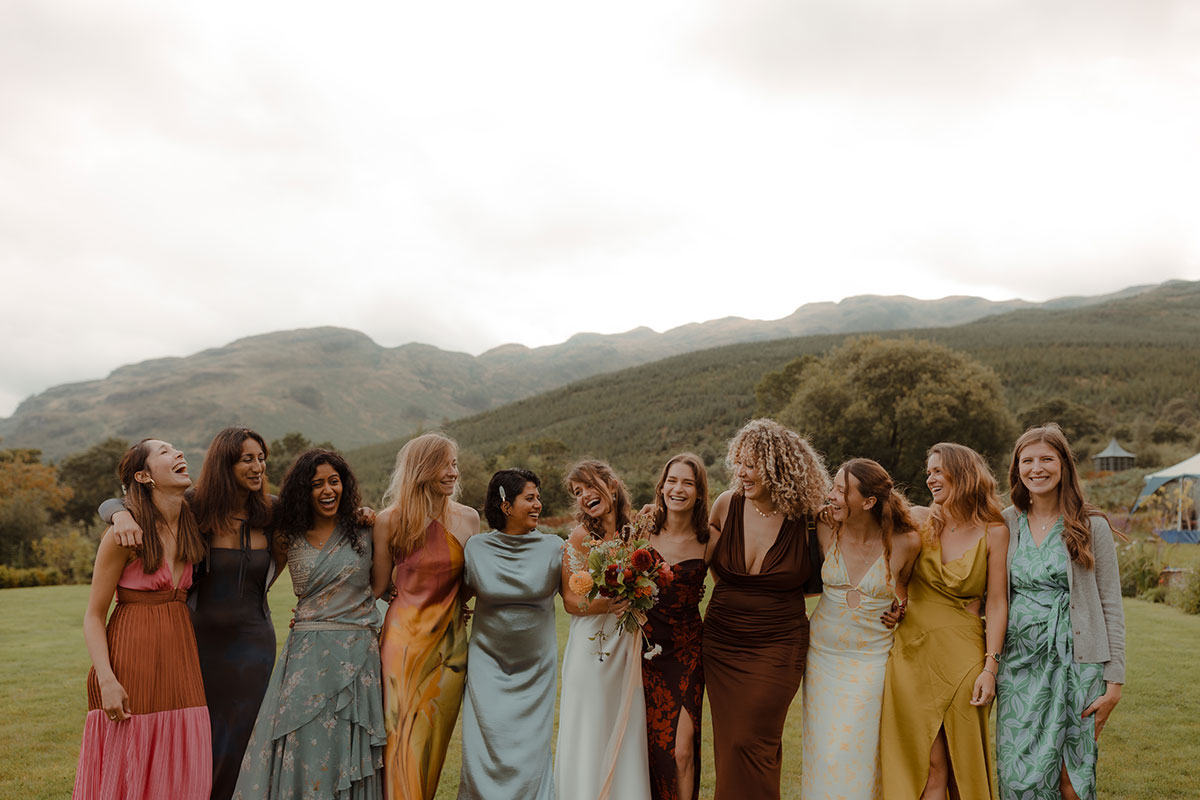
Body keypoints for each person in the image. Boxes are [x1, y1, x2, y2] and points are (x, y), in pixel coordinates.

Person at [233, 449, 385, 800]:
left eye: (334, 481)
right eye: (317, 484)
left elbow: (380, 586)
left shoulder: (365, 530)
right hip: (306, 658)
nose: (328, 490)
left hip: (357, 656)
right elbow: (260, 582)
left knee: (348, 743)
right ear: (304, 490)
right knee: (304, 744)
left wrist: (344, 616)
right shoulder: (287, 536)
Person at [73, 439, 212, 799]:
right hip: (131, 661)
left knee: (187, 768)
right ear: (144, 475)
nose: (179, 453)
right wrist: (107, 681)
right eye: (165, 451)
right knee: (129, 772)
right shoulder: (123, 535)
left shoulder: (192, 522)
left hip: (181, 662)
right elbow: (92, 615)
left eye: (178, 449)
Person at [996, 424, 1125, 800]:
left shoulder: (1091, 524)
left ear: (1064, 465)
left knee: (1071, 777)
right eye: (1028, 460)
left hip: (1078, 664)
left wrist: (1114, 681)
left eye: (1047, 459)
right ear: (1017, 467)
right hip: (1018, 666)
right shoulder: (1006, 522)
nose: (1037, 468)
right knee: (1018, 774)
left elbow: (1111, 606)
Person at [703, 418, 828, 800]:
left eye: (752, 465)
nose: (741, 472)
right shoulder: (726, 505)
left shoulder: (809, 519)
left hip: (778, 643)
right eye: (739, 462)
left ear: (779, 468)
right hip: (721, 641)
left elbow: (837, 576)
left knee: (752, 739)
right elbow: (696, 558)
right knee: (730, 744)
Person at [879, 443, 1009, 800]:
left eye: (938, 470)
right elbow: (898, 575)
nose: (930, 478)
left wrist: (990, 668)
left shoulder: (994, 530)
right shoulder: (920, 519)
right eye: (929, 471)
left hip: (964, 656)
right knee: (925, 763)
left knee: (957, 762)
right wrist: (898, 604)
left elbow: (997, 603)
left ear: (963, 473)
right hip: (910, 653)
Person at [801, 459, 921, 800]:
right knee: (823, 751)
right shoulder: (824, 526)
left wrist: (902, 606)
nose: (832, 495)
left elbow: (909, 587)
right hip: (822, 656)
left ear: (869, 502)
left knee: (860, 747)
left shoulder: (906, 542)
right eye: (833, 487)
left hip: (872, 658)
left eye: (841, 490)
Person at [372, 433, 478, 800]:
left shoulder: (469, 520)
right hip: (402, 649)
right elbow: (377, 586)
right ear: (423, 468)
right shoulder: (390, 520)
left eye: (454, 464)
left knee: (433, 746)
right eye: (446, 464)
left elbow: (471, 583)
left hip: (450, 650)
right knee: (401, 743)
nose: (454, 472)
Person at [457, 469, 563, 800]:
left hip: (536, 668)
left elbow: (576, 598)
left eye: (538, 498)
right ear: (505, 505)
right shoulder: (475, 548)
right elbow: (456, 595)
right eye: (529, 498)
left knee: (531, 752)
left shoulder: (554, 548)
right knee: (483, 746)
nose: (538, 505)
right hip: (486, 664)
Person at [556, 460, 652, 800]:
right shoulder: (581, 537)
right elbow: (569, 599)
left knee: (627, 723)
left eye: (589, 487)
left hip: (627, 641)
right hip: (592, 647)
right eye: (577, 493)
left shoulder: (637, 531)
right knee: (592, 724)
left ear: (612, 485)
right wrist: (607, 604)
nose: (584, 496)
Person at [641, 453, 712, 800]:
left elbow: (734, 585)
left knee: (682, 749)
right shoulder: (642, 529)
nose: (677, 489)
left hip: (686, 651)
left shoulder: (709, 539)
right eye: (672, 480)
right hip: (642, 651)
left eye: (687, 483)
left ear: (699, 493)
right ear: (662, 486)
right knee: (649, 748)